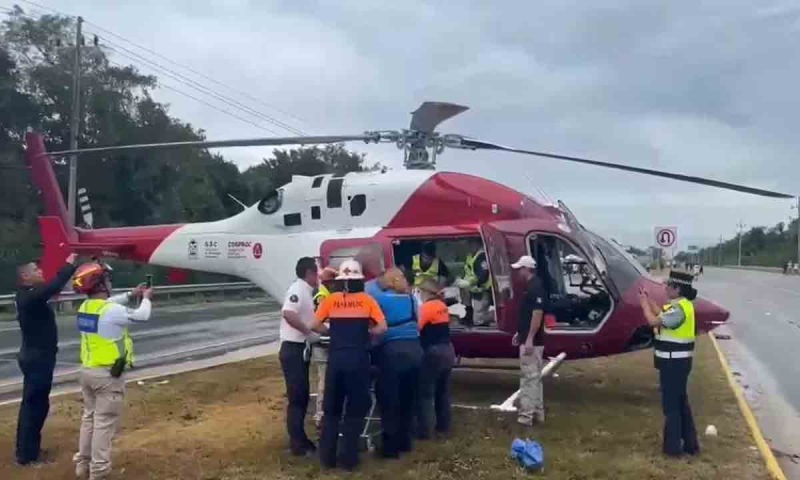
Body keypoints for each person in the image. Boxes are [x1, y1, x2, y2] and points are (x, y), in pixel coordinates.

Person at [71, 260, 153, 480]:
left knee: (89, 419)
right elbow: (143, 315)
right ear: (100, 284)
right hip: (108, 376)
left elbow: (110, 304)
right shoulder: (111, 311)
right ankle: (99, 472)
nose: (109, 283)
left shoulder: (86, 307)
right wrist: (145, 298)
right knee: (104, 424)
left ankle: (83, 465)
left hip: (87, 371)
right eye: (106, 279)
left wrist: (130, 294)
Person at [312, 259, 387, 471]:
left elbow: (314, 325)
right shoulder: (367, 300)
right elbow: (382, 327)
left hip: (336, 359)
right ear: (360, 280)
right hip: (358, 359)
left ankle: (327, 459)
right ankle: (349, 459)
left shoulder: (332, 300)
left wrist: (332, 333)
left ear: (340, 280)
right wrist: (366, 333)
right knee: (355, 410)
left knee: (332, 410)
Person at [14, 253, 78, 466]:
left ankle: (31, 450)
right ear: (25, 276)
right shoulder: (28, 296)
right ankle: (26, 455)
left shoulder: (29, 294)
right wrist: (68, 264)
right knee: (34, 406)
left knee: (37, 405)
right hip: (37, 359)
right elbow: (53, 287)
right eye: (36, 270)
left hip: (39, 357)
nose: (40, 272)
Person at [638, 270, 700, 457]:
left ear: (677, 288)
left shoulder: (679, 309)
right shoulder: (680, 306)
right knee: (681, 404)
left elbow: (653, 321)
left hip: (674, 363)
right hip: (677, 363)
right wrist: (648, 300)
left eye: (668, 285)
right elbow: (661, 313)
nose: (665, 288)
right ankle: (690, 445)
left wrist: (643, 306)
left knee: (671, 406)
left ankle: (673, 449)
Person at [365, 267, 423, 458]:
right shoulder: (410, 299)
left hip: (392, 352)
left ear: (387, 282)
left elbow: (376, 326)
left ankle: (390, 448)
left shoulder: (380, 300)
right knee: (408, 400)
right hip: (415, 350)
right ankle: (405, 442)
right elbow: (418, 321)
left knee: (389, 401)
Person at [279, 257, 320, 456]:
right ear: (309, 273)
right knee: (297, 397)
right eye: (316, 273)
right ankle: (297, 444)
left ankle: (301, 439)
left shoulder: (306, 291)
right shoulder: (298, 289)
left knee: (302, 397)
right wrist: (307, 332)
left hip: (300, 349)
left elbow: (313, 322)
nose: (318, 277)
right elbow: (288, 313)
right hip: (293, 349)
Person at [416, 277, 456, 439]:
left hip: (433, 352)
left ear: (425, 292)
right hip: (448, 349)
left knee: (425, 393)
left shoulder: (427, 308)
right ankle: (443, 425)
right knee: (443, 391)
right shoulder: (442, 306)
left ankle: (426, 431)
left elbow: (417, 328)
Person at [510, 255, 547, 426]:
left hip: (532, 341)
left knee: (528, 378)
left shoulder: (535, 288)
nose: (518, 272)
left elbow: (537, 314)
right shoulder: (534, 286)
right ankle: (538, 413)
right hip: (529, 337)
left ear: (526, 269)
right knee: (535, 378)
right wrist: (521, 332)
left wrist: (530, 338)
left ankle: (525, 416)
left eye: (519, 269)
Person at [311, 266, 338, 428]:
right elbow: (319, 320)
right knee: (324, 381)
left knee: (326, 380)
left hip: (325, 343)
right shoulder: (322, 296)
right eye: (333, 283)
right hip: (323, 344)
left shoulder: (325, 293)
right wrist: (329, 330)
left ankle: (325, 413)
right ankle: (320, 415)